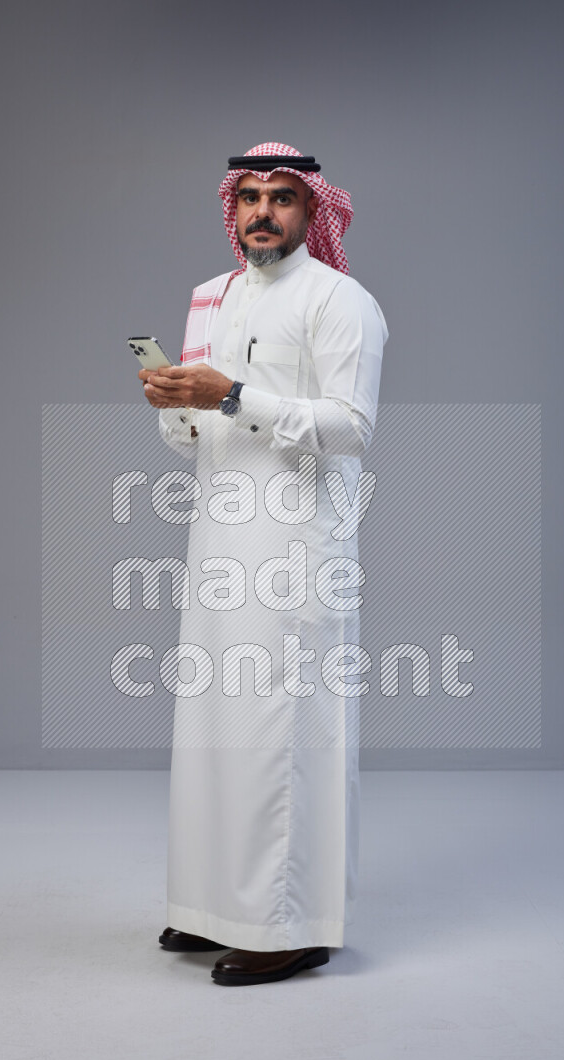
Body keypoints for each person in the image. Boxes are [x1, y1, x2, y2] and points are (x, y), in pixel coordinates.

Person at [140, 142, 388, 986]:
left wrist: (231, 396)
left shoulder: (339, 299)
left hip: (296, 547)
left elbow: (353, 426)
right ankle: (215, 907)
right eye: (248, 196)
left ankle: (288, 925)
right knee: (216, 726)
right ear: (231, 205)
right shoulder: (213, 297)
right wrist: (174, 402)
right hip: (218, 540)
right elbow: (193, 436)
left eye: (282, 197)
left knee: (281, 731)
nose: (261, 213)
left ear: (312, 211)